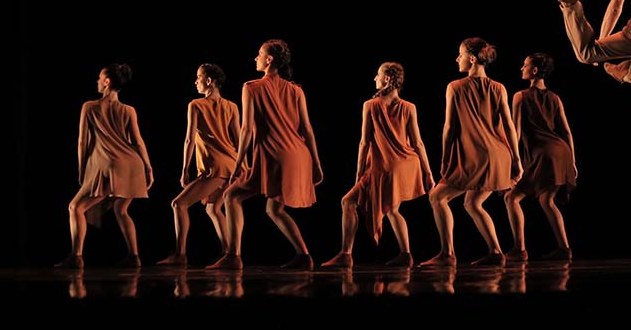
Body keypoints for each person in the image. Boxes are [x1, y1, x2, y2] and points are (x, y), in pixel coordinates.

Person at [207, 39, 323, 270]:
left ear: (269, 60)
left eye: (259, 54)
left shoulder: (251, 87)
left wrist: (239, 162)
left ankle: (233, 256)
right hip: (299, 155)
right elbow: (307, 130)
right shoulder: (296, 90)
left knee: (231, 197)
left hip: (274, 153)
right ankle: (304, 255)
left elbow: (247, 129)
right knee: (274, 208)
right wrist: (317, 164)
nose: (255, 58)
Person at [420, 37, 523, 268]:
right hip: (498, 156)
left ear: (473, 58)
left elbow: (449, 127)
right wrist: (516, 160)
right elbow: (508, 126)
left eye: (460, 54)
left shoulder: (455, 87)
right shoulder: (499, 88)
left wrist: (445, 158)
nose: (457, 59)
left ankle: (448, 254)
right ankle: (496, 252)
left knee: (437, 197)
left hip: (475, 156)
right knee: (473, 202)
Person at [321, 62, 435, 269]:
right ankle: (406, 254)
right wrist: (428, 173)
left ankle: (346, 254)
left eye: (378, 75)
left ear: (388, 79)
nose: (375, 78)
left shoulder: (370, 105)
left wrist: (358, 173)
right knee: (392, 209)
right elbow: (418, 142)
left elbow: (364, 142)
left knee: (348, 202)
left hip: (384, 166)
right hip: (406, 163)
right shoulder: (409, 107)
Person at [55, 63, 153, 269]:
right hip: (132, 164)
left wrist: (82, 170)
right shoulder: (129, 110)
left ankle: (76, 256)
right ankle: (134, 256)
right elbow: (138, 141)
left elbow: (82, 142)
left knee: (75, 207)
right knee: (121, 209)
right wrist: (148, 167)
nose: (97, 81)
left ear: (107, 82)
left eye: (100, 78)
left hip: (107, 165)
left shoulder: (90, 106)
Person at [156, 63, 240, 267]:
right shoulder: (232, 106)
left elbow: (189, 140)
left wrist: (185, 170)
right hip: (231, 165)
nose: (196, 81)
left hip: (214, 167)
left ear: (209, 81)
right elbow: (239, 140)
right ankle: (229, 255)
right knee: (212, 207)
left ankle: (180, 254)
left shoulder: (196, 105)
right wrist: (242, 167)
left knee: (178, 204)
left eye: (199, 77)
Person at [503, 53, 577, 262]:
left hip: (543, 154)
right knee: (547, 200)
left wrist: (512, 160)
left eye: (525, 65)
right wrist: (572, 161)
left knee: (511, 197)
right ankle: (564, 248)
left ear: (534, 71)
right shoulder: (555, 98)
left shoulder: (520, 96)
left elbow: (515, 132)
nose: (521, 68)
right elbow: (567, 132)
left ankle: (519, 249)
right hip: (561, 152)